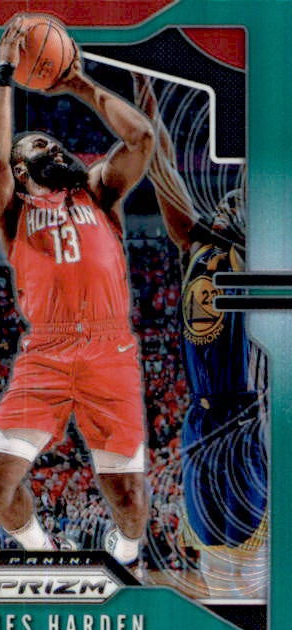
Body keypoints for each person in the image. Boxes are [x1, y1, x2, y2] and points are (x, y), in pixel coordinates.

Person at [0, 15, 154, 565]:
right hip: (47, 353)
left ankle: (126, 553)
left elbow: (141, 137)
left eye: (55, 144)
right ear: (22, 172)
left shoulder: (98, 193)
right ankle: (42, 549)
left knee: (129, 501)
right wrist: (5, 72)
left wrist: (78, 83)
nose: (55, 151)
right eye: (40, 148)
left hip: (108, 350)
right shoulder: (12, 212)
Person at [133, 73, 268, 597]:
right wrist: (144, 95)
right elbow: (162, 166)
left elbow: (263, 178)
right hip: (201, 415)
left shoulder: (257, 255)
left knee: (252, 552)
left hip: (247, 411)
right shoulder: (194, 247)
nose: (225, 206)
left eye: (236, 202)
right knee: (212, 549)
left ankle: (265, 626)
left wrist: (262, 111)